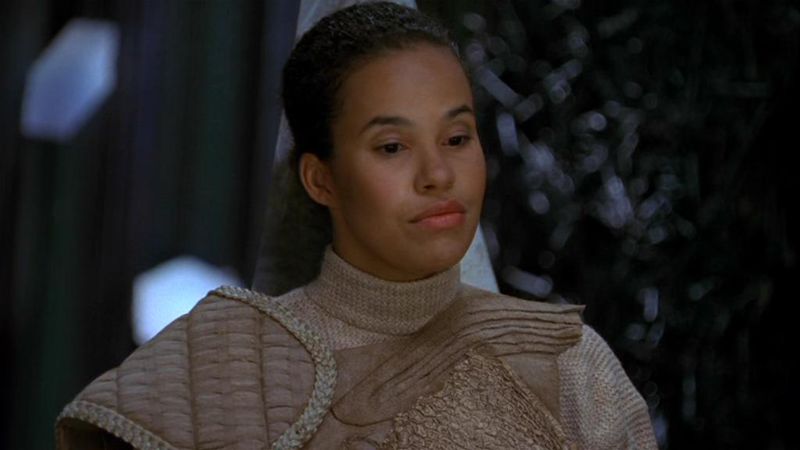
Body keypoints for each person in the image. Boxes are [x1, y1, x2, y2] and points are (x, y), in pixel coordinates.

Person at [56, 2, 657, 449]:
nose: (438, 175)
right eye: (392, 147)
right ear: (320, 179)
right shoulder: (220, 359)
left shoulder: (569, 363)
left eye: (457, 138)